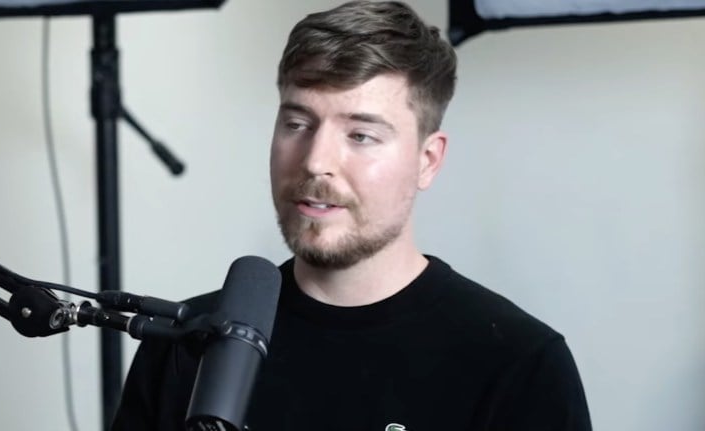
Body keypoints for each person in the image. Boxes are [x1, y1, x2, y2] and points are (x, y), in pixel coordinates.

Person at [112, 1, 592, 430]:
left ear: (428, 160)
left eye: (360, 135)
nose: (316, 160)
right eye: (297, 123)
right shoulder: (185, 339)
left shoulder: (518, 363)